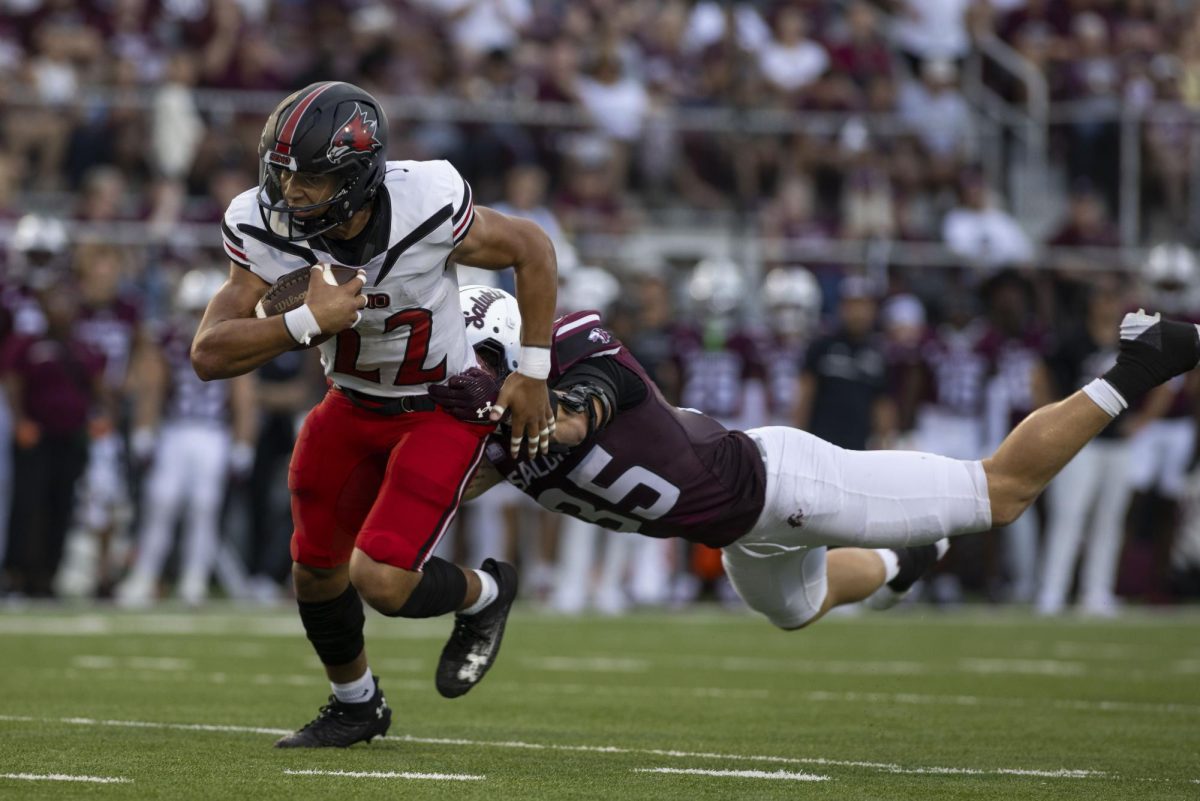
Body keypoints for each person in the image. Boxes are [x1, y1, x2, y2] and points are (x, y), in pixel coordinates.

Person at [433, 285, 1200, 632]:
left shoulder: (576, 353)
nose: (469, 383)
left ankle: (1141, 362)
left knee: (1001, 493)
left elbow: (573, 422)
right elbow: (454, 485)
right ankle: (905, 563)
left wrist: (498, 407)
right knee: (795, 610)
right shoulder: (504, 432)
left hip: (785, 482)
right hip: (741, 529)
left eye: (478, 367)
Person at [192, 81, 557, 748]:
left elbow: (531, 248)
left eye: (309, 180)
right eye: (281, 173)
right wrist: (304, 319)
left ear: (359, 175)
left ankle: (484, 592)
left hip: (441, 405)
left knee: (382, 579)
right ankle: (356, 702)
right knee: (314, 567)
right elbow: (208, 352)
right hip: (350, 402)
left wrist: (533, 372)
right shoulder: (261, 225)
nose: (289, 194)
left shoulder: (427, 200)